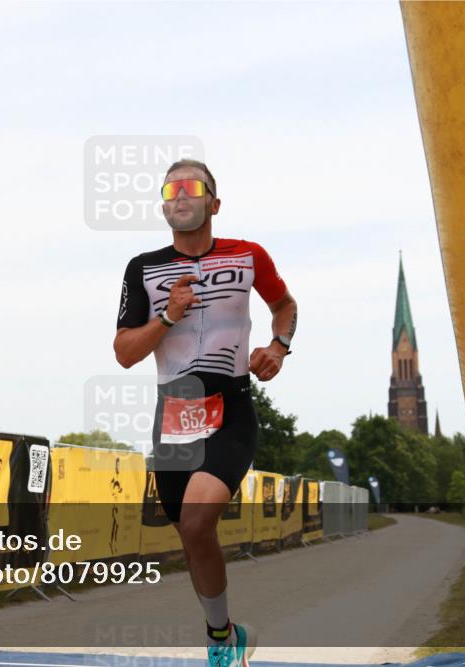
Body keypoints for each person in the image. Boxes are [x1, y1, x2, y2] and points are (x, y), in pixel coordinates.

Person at [114, 159, 297, 667]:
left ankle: (219, 643)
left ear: (214, 203)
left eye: (191, 187)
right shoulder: (143, 268)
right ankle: (226, 633)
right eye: (169, 190)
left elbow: (285, 306)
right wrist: (167, 315)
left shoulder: (248, 255)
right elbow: (125, 353)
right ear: (163, 207)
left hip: (230, 408)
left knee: (197, 523)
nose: (179, 195)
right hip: (174, 414)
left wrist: (278, 348)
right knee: (191, 537)